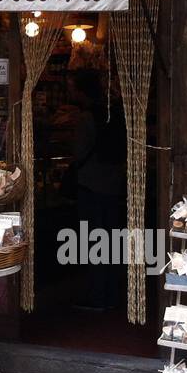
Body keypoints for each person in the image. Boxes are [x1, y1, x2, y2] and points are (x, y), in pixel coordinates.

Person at [67, 71, 128, 310]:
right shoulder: (113, 113)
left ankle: (97, 296)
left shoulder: (86, 118)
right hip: (114, 185)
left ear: (82, 91)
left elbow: (78, 152)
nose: (70, 92)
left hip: (92, 185)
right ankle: (112, 293)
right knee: (112, 240)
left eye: (72, 87)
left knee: (93, 241)